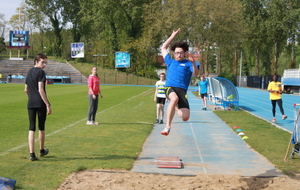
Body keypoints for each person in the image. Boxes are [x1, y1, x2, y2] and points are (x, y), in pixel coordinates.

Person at [160, 28, 199, 136]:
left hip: (182, 91)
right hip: (170, 88)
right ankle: (167, 126)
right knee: (174, 98)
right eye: (177, 53)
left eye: (181, 53)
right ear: (174, 53)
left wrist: (194, 63)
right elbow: (163, 47)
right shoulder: (170, 61)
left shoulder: (189, 63)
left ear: (185, 53)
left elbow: (195, 74)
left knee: (185, 117)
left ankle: (175, 107)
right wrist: (172, 36)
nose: (179, 55)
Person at [24, 53, 52, 161]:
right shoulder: (41, 72)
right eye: (43, 62)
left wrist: (31, 97)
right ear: (36, 61)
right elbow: (41, 89)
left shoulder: (29, 72)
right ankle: (41, 150)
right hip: (40, 103)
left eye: (46, 62)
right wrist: (47, 104)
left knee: (31, 128)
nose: (44, 64)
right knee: (41, 127)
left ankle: (32, 154)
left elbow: (26, 89)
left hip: (30, 103)